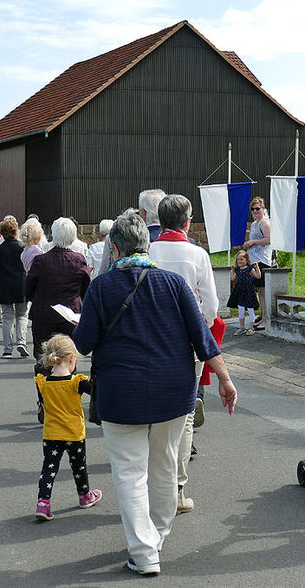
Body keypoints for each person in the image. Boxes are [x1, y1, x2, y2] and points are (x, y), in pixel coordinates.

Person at [74, 211, 237, 577]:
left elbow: (83, 345)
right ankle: (157, 536)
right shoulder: (175, 284)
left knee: (130, 473)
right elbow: (203, 337)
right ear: (147, 246)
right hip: (173, 392)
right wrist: (225, 380)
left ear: (115, 249)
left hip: (120, 394)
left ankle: (145, 551)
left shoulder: (101, 287)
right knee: (164, 465)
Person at [148, 194, 219, 515]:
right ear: (188, 221)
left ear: (159, 220)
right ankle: (177, 491)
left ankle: (153, 488)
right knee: (185, 416)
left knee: (152, 415)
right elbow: (213, 306)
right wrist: (198, 325)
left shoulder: (148, 251)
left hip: (149, 342)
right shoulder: (197, 254)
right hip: (187, 345)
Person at [34, 334, 102, 521]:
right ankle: (84, 495)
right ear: (72, 359)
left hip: (51, 433)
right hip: (74, 433)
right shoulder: (77, 382)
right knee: (79, 467)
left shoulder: (43, 383)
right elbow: (96, 392)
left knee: (49, 468)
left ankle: (43, 503)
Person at [24, 218, 90, 358]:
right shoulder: (79, 260)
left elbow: (29, 287)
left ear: (53, 236)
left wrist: (33, 298)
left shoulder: (40, 260)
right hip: (71, 314)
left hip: (44, 313)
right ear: (73, 238)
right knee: (68, 357)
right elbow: (86, 287)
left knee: (44, 357)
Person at [0, 219, 29, 358]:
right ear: (16, 231)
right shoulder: (22, 247)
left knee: (7, 317)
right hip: (21, 285)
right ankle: (21, 342)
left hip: (5, 286)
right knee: (22, 315)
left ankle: (7, 349)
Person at [243, 196, 271, 330]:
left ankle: (266, 318)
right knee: (259, 291)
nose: (255, 211)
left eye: (257, 209)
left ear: (263, 208)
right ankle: (262, 315)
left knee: (264, 291)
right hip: (254, 261)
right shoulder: (254, 224)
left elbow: (268, 240)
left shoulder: (265, 222)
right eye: (253, 209)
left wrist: (253, 242)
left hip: (263, 261)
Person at [227, 250, 261, 335]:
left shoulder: (249, 269)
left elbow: (258, 276)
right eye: (238, 259)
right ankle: (242, 327)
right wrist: (232, 270)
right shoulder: (237, 270)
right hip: (240, 292)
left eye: (242, 259)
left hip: (249, 291)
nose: (240, 261)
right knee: (241, 310)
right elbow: (232, 279)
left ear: (246, 260)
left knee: (250, 309)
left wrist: (257, 268)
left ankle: (251, 327)